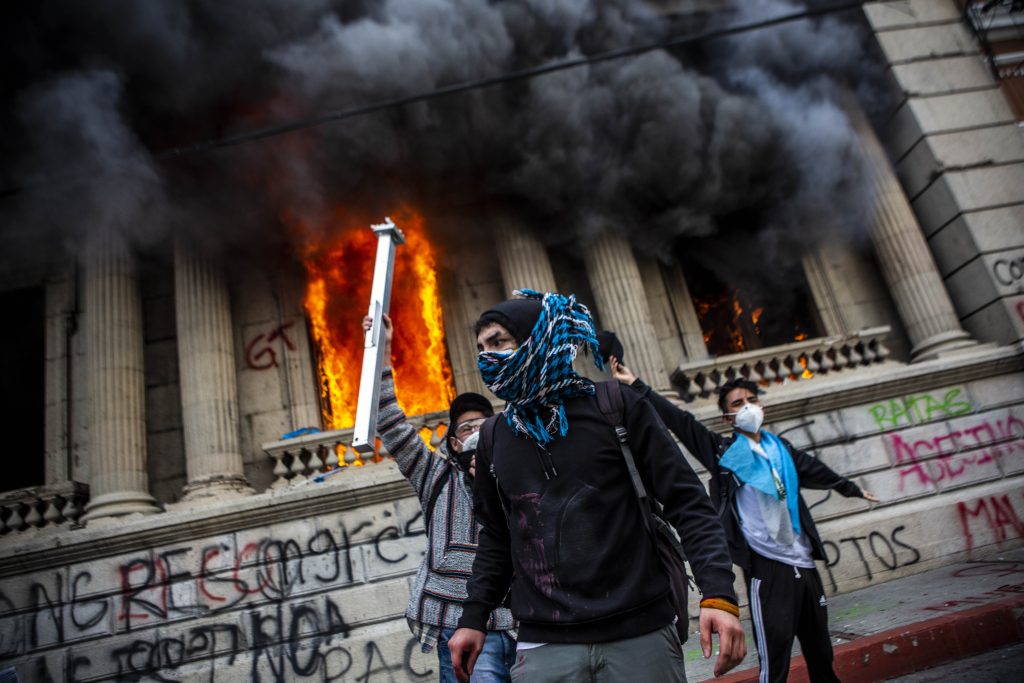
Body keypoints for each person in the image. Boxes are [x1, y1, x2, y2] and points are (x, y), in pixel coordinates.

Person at [447, 290, 746, 683]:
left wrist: (718, 594)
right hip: (544, 646)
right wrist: (474, 617)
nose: (487, 357)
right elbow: (498, 540)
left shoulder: (616, 406)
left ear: (539, 338)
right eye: (481, 348)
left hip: (640, 633)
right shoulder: (493, 438)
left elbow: (687, 503)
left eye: (499, 342)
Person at [610, 356, 880, 683]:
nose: (748, 407)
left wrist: (851, 489)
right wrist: (636, 385)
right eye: (738, 403)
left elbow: (816, 471)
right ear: (728, 417)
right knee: (775, 664)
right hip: (769, 569)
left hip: (806, 566)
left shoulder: (782, 450)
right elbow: (680, 421)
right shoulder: (725, 454)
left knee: (822, 658)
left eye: (752, 400)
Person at [363, 314, 516, 682]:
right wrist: (381, 351)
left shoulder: (518, 469)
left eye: (484, 425)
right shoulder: (436, 476)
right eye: (467, 428)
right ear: (453, 443)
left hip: (525, 622)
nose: (477, 432)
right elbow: (389, 421)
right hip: (459, 620)